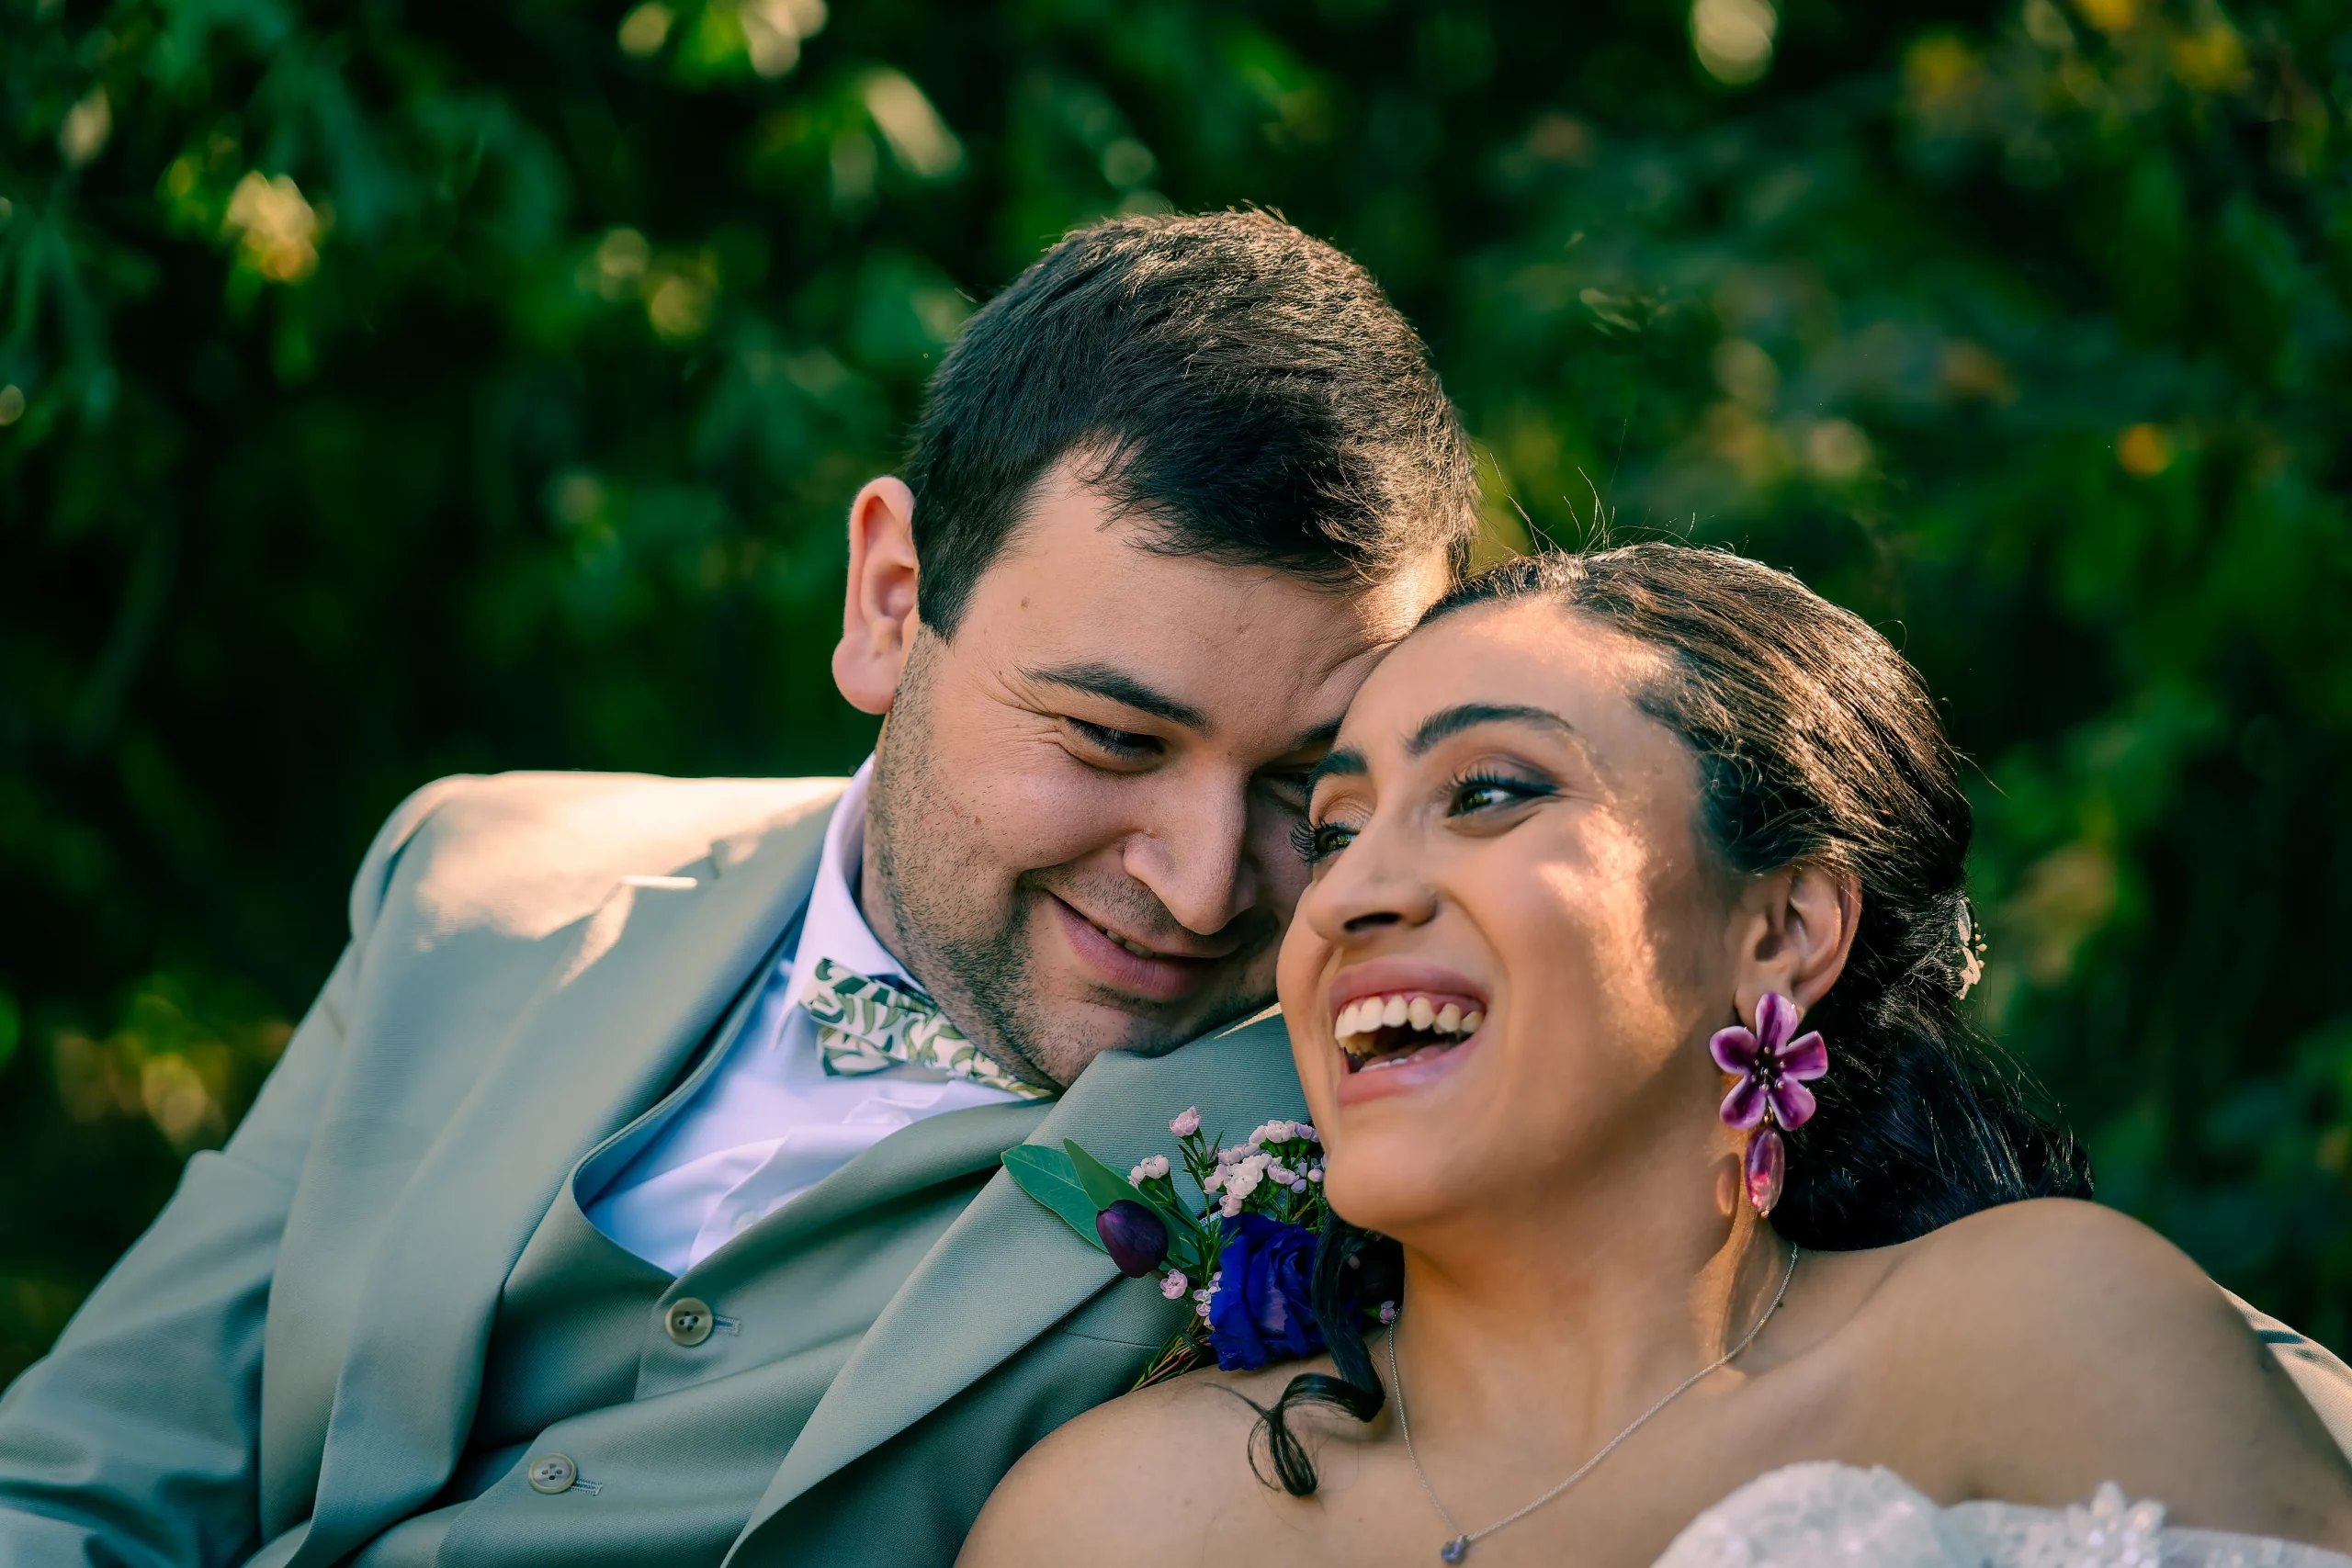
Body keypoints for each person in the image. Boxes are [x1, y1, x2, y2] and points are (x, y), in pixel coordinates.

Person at [0, 211, 1477, 1567]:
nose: (1204, 886)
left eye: (1306, 787)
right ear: (891, 603)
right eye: (1111, 737)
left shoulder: (1369, 1131)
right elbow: (80, 1482)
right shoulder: (471, 881)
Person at [962, 544, 2352, 1568]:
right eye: (1333, 831)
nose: (1347, 897)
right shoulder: (1111, 1520)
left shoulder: (2035, 1338)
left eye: (1487, 792)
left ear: (1782, 928)